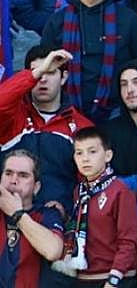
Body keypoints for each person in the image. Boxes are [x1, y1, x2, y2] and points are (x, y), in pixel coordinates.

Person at [0, 47, 93, 206]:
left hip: (59, 217)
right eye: (37, 72)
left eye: (50, 72)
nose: (42, 79)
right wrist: (35, 75)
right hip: (9, 215)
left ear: (63, 77)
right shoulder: (12, 117)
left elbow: (91, 183)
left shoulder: (82, 127)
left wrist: (69, 211)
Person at [55, 128, 137, 284]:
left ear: (108, 155)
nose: (85, 158)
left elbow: (128, 240)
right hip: (84, 277)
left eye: (92, 152)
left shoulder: (120, 190)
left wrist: (114, 279)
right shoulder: (79, 191)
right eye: (79, 153)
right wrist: (65, 217)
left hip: (115, 277)